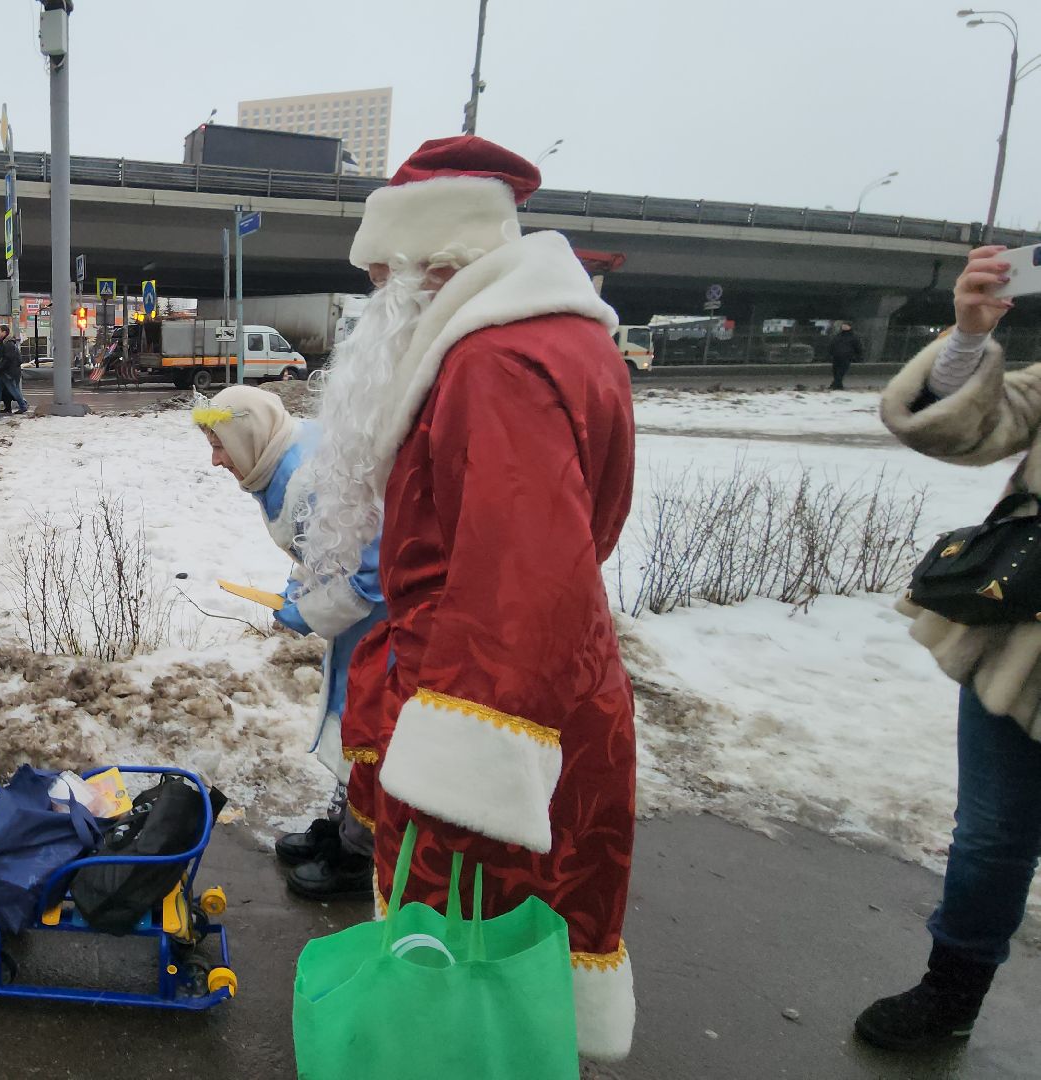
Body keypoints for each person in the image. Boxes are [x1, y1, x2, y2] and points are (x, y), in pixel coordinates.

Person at [304, 136, 638, 1060]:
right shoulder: (557, 337)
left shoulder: (492, 366)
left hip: (487, 727)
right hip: (541, 696)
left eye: (380, 278)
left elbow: (519, 587)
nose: (375, 298)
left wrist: (453, 773)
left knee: (465, 961)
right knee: (514, 964)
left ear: (428, 266)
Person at [862, 244, 1031, 1052]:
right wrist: (968, 334)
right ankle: (950, 993)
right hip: (1025, 658)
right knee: (993, 835)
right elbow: (971, 429)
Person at [192, 385, 386, 901]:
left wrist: (308, 611)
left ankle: (359, 854)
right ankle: (345, 824)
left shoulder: (309, 478)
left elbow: (370, 573)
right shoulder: (278, 461)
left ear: (249, 438)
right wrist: (298, 591)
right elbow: (323, 550)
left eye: (220, 446)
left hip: (386, 629)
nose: (215, 461)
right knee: (350, 721)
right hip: (362, 628)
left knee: (367, 729)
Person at [0, 325, 29, 415]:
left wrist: (0, 366)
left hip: (7, 372)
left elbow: (8, 358)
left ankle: (23, 406)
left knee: (13, 390)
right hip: (2, 372)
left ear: (4, 332)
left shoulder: (8, 344)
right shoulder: (3, 342)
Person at [829, 320, 865, 390]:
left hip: (846, 357)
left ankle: (835, 385)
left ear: (850, 327)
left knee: (841, 372)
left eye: (846, 325)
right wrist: (831, 353)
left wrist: (858, 356)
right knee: (835, 371)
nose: (844, 326)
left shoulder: (853, 337)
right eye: (843, 325)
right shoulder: (838, 336)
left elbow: (858, 347)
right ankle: (838, 386)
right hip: (836, 356)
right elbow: (832, 344)